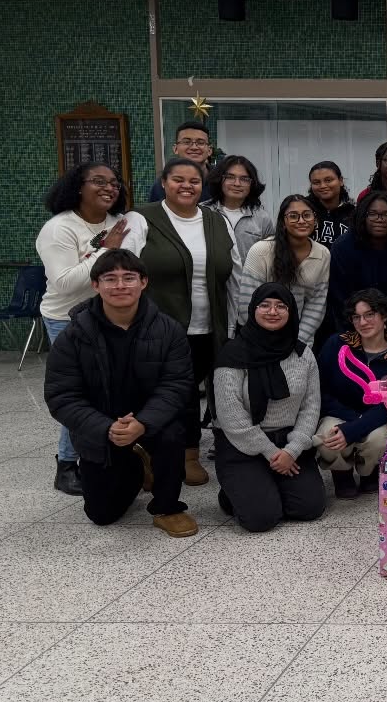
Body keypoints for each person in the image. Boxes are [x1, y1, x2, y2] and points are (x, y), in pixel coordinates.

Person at [43, 250, 197, 536]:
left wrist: (143, 423)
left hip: (152, 423)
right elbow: (61, 395)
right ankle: (138, 467)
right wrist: (106, 427)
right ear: (95, 285)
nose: (120, 285)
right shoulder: (73, 336)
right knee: (102, 515)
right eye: (110, 279)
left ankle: (167, 506)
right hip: (102, 428)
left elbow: (176, 385)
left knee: (173, 432)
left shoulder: (169, 331)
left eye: (129, 278)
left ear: (144, 282)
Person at [122, 158, 238, 488]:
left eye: (194, 181)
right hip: (160, 328)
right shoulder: (142, 218)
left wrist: (235, 324)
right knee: (167, 393)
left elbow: (236, 275)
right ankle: (150, 456)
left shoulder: (217, 221)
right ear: (164, 181)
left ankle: (189, 456)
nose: (187, 186)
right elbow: (125, 270)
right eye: (178, 179)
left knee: (198, 394)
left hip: (209, 326)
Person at [37, 161, 130, 494]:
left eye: (114, 183)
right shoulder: (59, 228)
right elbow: (64, 283)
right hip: (67, 319)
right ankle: (66, 463)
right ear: (78, 186)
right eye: (99, 182)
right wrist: (106, 249)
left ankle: (106, 452)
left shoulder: (117, 223)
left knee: (111, 386)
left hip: (109, 316)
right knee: (82, 390)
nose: (109, 188)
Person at [212, 283, 325, 533]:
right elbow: (231, 416)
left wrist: (292, 451)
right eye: (264, 305)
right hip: (241, 446)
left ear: (291, 312)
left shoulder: (302, 354)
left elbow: (311, 406)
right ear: (253, 309)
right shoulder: (232, 354)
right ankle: (234, 491)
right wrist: (271, 452)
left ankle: (265, 484)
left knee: (309, 508)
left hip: (289, 443)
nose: (272, 311)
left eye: (280, 306)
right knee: (261, 519)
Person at [316, 289, 387, 497]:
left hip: (377, 417)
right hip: (338, 412)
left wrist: (355, 428)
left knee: (378, 439)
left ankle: (369, 474)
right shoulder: (336, 345)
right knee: (328, 435)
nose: (363, 322)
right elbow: (319, 390)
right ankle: (342, 474)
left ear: (384, 316)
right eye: (356, 317)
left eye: (369, 314)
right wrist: (351, 423)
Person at [326, 190, 387, 344]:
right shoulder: (343, 246)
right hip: (353, 326)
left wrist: (386, 333)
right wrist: (360, 328)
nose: (379, 219)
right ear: (362, 216)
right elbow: (339, 297)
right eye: (372, 214)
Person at [238, 195, 331, 347]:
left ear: (315, 219)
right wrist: (268, 341)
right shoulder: (261, 250)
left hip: (297, 340)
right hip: (258, 339)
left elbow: (316, 304)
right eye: (293, 216)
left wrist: (298, 342)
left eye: (307, 215)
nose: (301, 221)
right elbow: (247, 302)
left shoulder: (323, 254)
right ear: (283, 222)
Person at [203, 155, 275, 265]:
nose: (237, 183)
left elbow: (270, 258)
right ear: (219, 179)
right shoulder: (203, 211)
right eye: (230, 177)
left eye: (244, 179)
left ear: (252, 184)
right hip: (212, 281)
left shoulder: (262, 218)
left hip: (248, 281)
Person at [147, 121, 213, 202]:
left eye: (200, 143)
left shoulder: (221, 181)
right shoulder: (162, 185)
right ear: (175, 149)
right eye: (186, 142)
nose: (194, 147)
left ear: (209, 150)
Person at [307, 161, 355, 249]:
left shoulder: (354, 213)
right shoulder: (303, 211)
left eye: (328, 180)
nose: (322, 186)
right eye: (316, 182)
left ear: (340, 181)